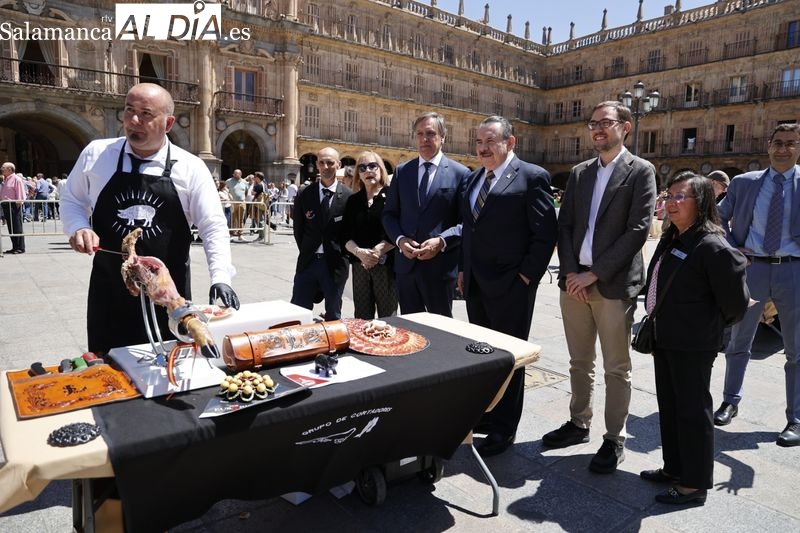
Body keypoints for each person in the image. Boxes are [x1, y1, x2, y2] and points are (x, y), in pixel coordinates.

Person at [61, 82, 239, 355]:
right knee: (107, 367)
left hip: (168, 296)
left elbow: (212, 226)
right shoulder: (97, 154)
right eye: (129, 110)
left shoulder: (191, 168)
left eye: (146, 114)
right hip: (109, 291)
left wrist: (221, 277)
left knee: (170, 365)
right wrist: (78, 227)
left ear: (168, 123)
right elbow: (72, 199)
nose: (134, 120)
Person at [542, 101, 657, 474]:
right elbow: (566, 226)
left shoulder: (641, 171)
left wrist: (594, 274)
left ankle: (614, 438)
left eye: (605, 122)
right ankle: (579, 423)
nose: (597, 129)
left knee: (616, 367)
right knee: (579, 361)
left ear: (625, 127)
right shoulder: (580, 173)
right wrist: (571, 273)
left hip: (612, 285)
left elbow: (638, 230)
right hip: (574, 283)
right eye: (592, 123)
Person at [640, 172, 749, 505]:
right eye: (669, 195)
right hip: (665, 337)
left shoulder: (713, 246)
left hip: (693, 344)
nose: (671, 203)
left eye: (680, 196)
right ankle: (674, 467)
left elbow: (736, 304)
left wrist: (704, 326)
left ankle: (694, 483)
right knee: (670, 407)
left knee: (692, 411)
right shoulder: (674, 236)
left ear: (700, 202)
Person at [457, 115, 558, 456]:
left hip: (511, 285)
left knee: (510, 358)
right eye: (479, 142)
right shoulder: (474, 178)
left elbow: (545, 234)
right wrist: (463, 269)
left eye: (490, 141)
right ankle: (487, 414)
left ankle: (504, 427)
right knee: (485, 354)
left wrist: (526, 277)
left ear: (510, 142)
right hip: (476, 283)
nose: (483, 148)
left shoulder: (531, 176)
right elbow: (469, 230)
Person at [714, 123, 800, 447]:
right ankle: (730, 401)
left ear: (798, 147)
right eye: (778, 142)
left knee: (796, 349)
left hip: (793, 271)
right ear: (768, 145)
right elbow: (717, 217)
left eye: (791, 143)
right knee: (739, 340)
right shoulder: (744, 183)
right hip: (753, 270)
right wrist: (733, 248)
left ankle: (796, 418)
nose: (783, 149)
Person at [382, 112, 470, 317]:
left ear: (443, 137)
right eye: (420, 134)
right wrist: (400, 240)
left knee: (441, 329)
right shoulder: (402, 171)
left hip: (440, 269)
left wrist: (441, 241)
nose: (424, 139)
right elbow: (389, 214)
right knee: (410, 329)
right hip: (406, 268)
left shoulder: (460, 173)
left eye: (430, 133)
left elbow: (466, 222)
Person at [291, 147, 353, 320]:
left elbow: (349, 232)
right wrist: (308, 249)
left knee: (333, 315)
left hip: (335, 264)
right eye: (322, 162)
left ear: (339, 164)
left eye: (330, 163)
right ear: (317, 165)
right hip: (308, 263)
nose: (326, 167)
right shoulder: (304, 193)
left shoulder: (348, 196)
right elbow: (298, 230)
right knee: (298, 311)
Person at [341, 151, 397, 319]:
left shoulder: (393, 196)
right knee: (361, 316)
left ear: (381, 169)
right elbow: (344, 234)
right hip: (360, 265)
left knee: (388, 317)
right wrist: (359, 253)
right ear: (358, 174)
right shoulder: (353, 200)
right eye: (362, 168)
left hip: (386, 265)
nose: (368, 171)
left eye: (373, 166)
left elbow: (399, 229)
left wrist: (376, 252)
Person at [0, 162, 26, 254]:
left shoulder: (16, 179)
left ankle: (20, 247)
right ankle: (14, 246)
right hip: (6, 205)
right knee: (11, 227)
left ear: (10, 169)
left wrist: (19, 202)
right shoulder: (6, 179)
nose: (1, 169)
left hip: (14, 205)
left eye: (3, 167)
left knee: (17, 226)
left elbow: (20, 192)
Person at [226, 169, 247, 240]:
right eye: (234, 174)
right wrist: (229, 197)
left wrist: (243, 198)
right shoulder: (229, 181)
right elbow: (225, 190)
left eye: (237, 174)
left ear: (240, 174)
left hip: (241, 202)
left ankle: (240, 234)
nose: (235, 175)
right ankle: (232, 234)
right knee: (233, 219)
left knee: (241, 219)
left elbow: (246, 191)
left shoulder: (244, 182)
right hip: (233, 203)